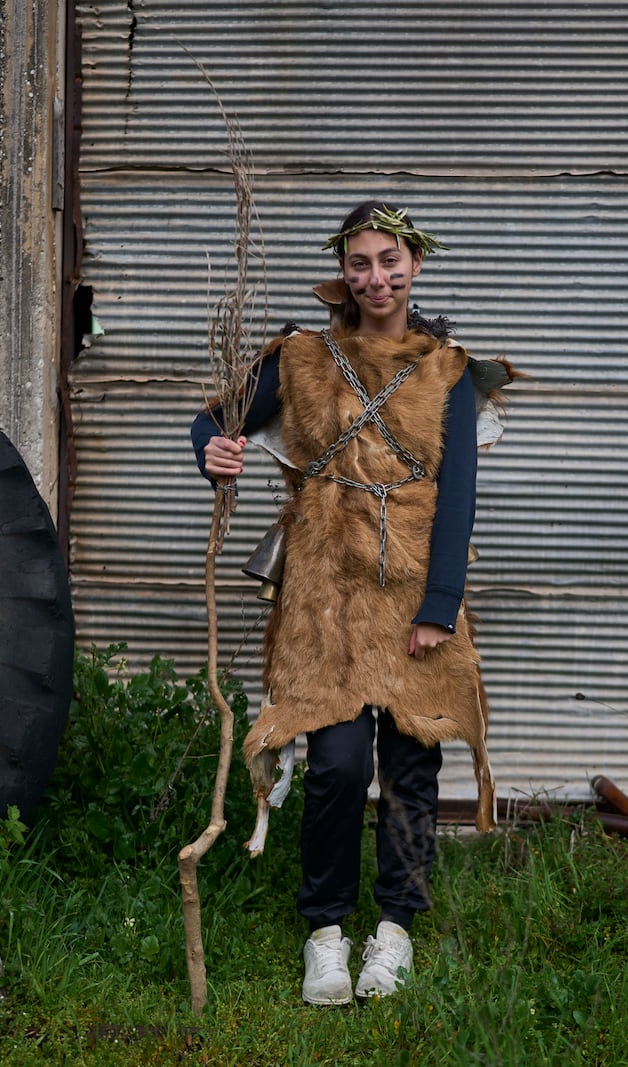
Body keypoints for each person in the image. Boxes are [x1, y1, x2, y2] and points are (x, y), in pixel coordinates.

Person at [190, 201, 506, 1005]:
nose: (376, 277)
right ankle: (325, 932)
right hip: (321, 594)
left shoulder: (448, 369)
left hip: (415, 596)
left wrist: (440, 602)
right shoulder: (302, 355)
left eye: (389, 260)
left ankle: (394, 930)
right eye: (360, 262)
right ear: (343, 269)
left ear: (416, 265)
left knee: (411, 762)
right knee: (334, 766)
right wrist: (213, 451)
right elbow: (213, 420)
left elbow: (459, 492)